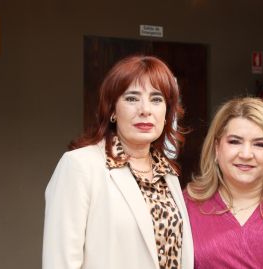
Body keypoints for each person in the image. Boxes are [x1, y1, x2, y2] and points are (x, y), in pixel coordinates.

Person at [43, 55, 193, 269]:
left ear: (167, 113)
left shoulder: (168, 174)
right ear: (112, 110)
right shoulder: (80, 166)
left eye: (156, 99)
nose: (145, 109)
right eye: (132, 98)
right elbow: (60, 263)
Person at [185, 97, 263, 269]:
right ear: (217, 148)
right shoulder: (186, 206)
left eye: (259, 144)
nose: (246, 154)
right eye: (235, 141)